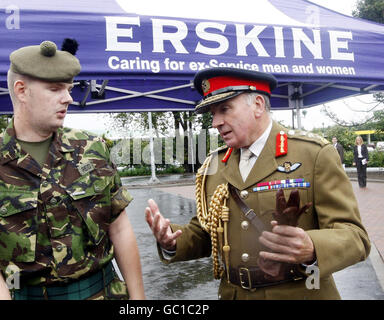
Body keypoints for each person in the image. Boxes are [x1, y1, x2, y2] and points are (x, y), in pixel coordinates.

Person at [145, 67, 370, 300]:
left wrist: (313, 247)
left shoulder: (313, 155)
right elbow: (207, 232)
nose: (215, 122)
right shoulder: (214, 164)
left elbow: (355, 238)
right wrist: (171, 240)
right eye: (213, 113)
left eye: (224, 109)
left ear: (258, 105)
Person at [0, 39, 145, 300]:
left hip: (105, 292)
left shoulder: (91, 148)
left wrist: (139, 299)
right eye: (55, 89)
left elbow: (119, 229)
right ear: (21, 90)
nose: (68, 98)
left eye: (69, 88)